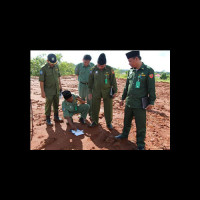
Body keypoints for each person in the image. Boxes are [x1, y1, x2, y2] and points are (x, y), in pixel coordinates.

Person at [115, 50, 156, 150]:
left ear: (136, 59)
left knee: (140, 124)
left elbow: (151, 88)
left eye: (130, 61)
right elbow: (126, 86)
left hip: (140, 103)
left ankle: (140, 143)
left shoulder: (148, 70)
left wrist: (151, 102)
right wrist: (122, 98)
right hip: (129, 102)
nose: (129, 63)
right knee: (126, 121)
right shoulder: (131, 71)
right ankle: (124, 134)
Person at [88, 53, 118, 129]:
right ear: (97, 63)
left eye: (102, 66)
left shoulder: (109, 69)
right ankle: (95, 121)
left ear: (105, 64)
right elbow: (90, 82)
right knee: (95, 107)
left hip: (107, 92)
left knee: (108, 108)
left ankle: (108, 123)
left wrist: (115, 91)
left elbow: (113, 81)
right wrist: (89, 92)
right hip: (96, 91)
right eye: (99, 65)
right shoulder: (93, 69)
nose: (100, 67)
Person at [39, 54, 63, 126]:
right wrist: (42, 92)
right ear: (47, 61)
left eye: (54, 63)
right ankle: (48, 119)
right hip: (48, 90)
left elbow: (58, 77)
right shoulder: (43, 69)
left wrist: (60, 86)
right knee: (48, 105)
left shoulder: (56, 66)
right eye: (51, 63)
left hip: (56, 89)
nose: (53, 64)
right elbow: (41, 81)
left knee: (56, 103)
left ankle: (56, 116)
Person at [75, 55, 94, 119]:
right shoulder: (78, 66)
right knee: (81, 99)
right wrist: (82, 80)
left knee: (90, 99)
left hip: (89, 85)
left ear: (90, 61)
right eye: (85, 62)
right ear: (83, 60)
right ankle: (82, 114)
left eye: (88, 62)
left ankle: (91, 114)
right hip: (82, 85)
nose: (86, 63)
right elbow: (77, 74)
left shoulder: (92, 66)